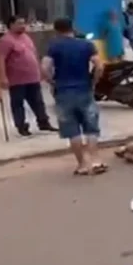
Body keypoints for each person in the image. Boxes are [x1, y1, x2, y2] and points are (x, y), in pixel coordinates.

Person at [41, 17, 107, 176]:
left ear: (56, 30)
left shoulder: (53, 47)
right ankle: (96, 161)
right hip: (84, 89)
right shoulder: (86, 45)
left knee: (72, 131)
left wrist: (52, 81)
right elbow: (99, 65)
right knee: (91, 127)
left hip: (63, 93)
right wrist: (94, 81)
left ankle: (82, 165)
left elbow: (44, 68)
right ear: (73, 28)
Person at [0, 15, 56, 136]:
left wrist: (41, 71)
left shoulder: (26, 38)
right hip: (17, 79)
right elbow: (0, 59)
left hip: (32, 77)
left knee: (38, 101)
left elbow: (34, 55)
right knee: (18, 104)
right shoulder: (5, 40)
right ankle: (22, 126)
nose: (23, 26)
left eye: (24, 23)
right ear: (11, 25)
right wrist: (3, 77)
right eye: (19, 23)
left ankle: (44, 122)